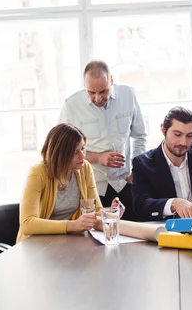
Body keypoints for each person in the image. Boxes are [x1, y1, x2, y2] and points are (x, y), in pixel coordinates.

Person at [58, 60, 147, 221]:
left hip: (124, 183)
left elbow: (139, 135)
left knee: (132, 235)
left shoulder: (128, 95)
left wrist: (137, 168)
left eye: (103, 91)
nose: (98, 98)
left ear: (111, 80)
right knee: (94, 240)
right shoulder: (71, 105)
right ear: (84, 84)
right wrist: (98, 158)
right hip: (91, 187)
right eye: (91, 92)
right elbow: (62, 149)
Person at [16, 123, 123, 243]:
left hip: (67, 242)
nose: (82, 156)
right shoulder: (37, 173)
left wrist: (110, 214)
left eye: (82, 148)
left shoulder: (85, 168)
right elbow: (28, 224)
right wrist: (73, 225)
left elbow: (96, 212)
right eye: (75, 152)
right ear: (60, 154)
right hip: (35, 245)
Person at [132, 106, 192, 221]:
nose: (183, 142)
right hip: (164, 231)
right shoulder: (143, 163)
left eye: (190, 136)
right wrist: (174, 203)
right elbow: (140, 205)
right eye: (177, 134)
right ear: (163, 129)